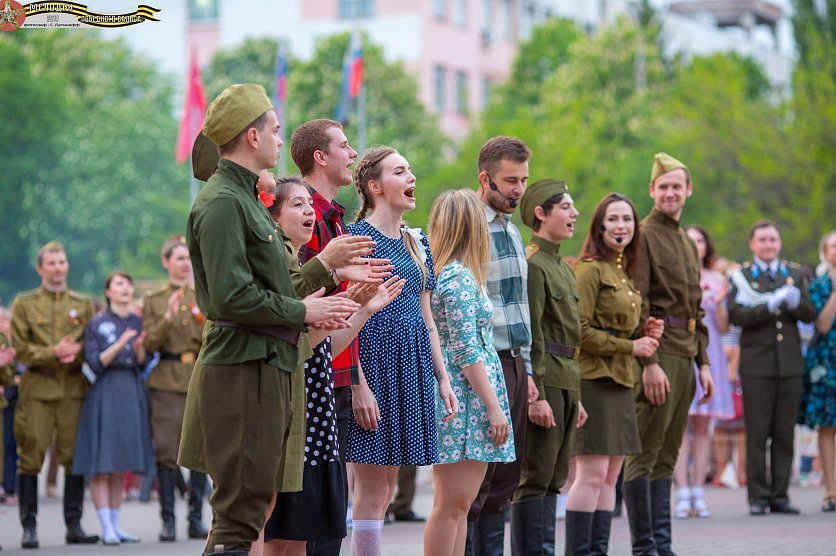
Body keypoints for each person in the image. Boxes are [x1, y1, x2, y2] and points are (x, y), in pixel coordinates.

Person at [182, 83, 363, 555]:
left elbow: (272, 288)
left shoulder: (243, 199)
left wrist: (324, 269)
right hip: (242, 367)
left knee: (250, 509)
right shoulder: (224, 201)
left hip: (263, 365)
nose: (281, 140)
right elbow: (230, 298)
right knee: (239, 519)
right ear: (252, 137)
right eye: (275, 131)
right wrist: (305, 309)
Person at [262, 176, 405, 556]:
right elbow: (296, 344)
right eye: (296, 204)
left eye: (310, 204)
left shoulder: (302, 265)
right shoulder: (286, 271)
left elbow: (321, 348)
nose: (309, 211)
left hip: (316, 412)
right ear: (272, 217)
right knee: (277, 532)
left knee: (300, 531)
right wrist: (336, 280)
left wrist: (361, 308)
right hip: (294, 407)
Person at [347, 146, 458, 556]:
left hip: (412, 364)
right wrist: (357, 384)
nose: (411, 178)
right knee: (373, 488)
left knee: (391, 483)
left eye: (411, 170)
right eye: (399, 171)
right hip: (373, 363)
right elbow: (348, 316)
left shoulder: (417, 240)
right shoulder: (356, 240)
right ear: (375, 186)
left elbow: (427, 317)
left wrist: (442, 377)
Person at [624, 153, 714, 556]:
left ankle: (662, 544)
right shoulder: (644, 235)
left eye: (677, 186)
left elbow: (696, 308)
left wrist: (706, 363)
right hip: (659, 354)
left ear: (689, 190)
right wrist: (649, 363)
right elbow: (638, 303)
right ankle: (645, 547)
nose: (671, 193)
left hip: (687, 353)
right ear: (651, 191)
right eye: (663, 187)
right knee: (644, 452)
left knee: (668, 453)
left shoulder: (685, 240)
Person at [566, 193, 663, 555]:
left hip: (622, 380)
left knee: (610, 477)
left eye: (627, 219)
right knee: (590, 476)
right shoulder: (589, 268)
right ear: (599, 226)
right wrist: (631, 348)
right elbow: (580, 330)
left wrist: (645, 335)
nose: (621, 225)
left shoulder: (623, 271)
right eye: (613, 219)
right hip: (594, 380)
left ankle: (597, 551)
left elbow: (623, 331)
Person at [424, 189, 515, 556]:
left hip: (467, 397)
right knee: (452, 505)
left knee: (459, 506)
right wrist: (493, 407)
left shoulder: (454, 274)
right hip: (465, 400)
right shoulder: (457, 277)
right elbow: (465, 349)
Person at [290, 119, 360, 555]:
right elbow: (303, 303)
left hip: (334, 371)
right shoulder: (306, 218)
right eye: (344, 145)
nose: (351, 154)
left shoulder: (334, 219)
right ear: (320, 157)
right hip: (313, 374)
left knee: (328, 508)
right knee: (308, 514)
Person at [506, 179, 585, 555]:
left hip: (567, 378)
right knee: (535, 476)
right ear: (541, 213)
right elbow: (533, 331)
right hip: (546, 379)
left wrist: (576, 397)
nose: (574, 214)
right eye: (566, 207)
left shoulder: (563, 267)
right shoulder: (534, 264)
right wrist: (535, 392)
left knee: (556, 478)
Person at [467, 136, 538, 556]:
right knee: (477, 481)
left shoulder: (511, 228)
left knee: (505, 480)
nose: (518, 189)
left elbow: (519, 308)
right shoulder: (469, 225)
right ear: (485, 178)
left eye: (523, 180)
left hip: (514, 363)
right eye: (510, 180)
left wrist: (525, 370)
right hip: (482, 363)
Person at [11, 241, 100, 549]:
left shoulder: (84, 303)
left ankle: (74, 525)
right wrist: (53, 352)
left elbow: (93, 343)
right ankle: (29, 526)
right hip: (38, 388)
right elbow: (20, 348)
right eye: (52, 263)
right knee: (31, 456)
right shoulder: (24, 304)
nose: (58, 268)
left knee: (73, 458)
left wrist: (76, 353)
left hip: (73, 389)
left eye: (62, 262)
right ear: (40, 269)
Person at [728, 220, 815, 516]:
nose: (768, 245)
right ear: (752, 244)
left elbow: (809, 312)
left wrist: (794, 303)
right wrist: (767, 306)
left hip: (789, 364)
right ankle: (758, 495)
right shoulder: (741, 276)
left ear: (779, 243)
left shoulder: (793, 273)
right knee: (757, 432)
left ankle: (780, 494)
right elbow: (735, 314)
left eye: (773, 239)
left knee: (784, 432)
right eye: (762, 240)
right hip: (757, 365)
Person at [72, 271, 155, 545]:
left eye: (129, 284)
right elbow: (94, 362)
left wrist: (139, 348)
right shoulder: (98, 322)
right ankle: (105, 525)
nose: (126, 288)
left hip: (131, 389)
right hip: (106, 390)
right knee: (102, 462)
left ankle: (116, 526)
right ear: (108, 291)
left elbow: (142, 362)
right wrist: (121, 344)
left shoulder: (137, 320)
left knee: (122, 461)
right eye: (120, 284)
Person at [142, 235, 209, 541]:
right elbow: (150, 343)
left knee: (200, 451)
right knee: (167, 451)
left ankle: (195, 518)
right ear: (166, 262)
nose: (185, 263)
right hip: (166, 382)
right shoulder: (154, 300)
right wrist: (168, 317)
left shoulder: (203, 296)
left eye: (188, 258)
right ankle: (168, 519)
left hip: (200, 375)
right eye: (179, 258)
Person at [673, 226, 736, 519]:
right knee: (679, 426)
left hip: (712, 355)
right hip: (684, 353)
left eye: (699, 240)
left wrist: (720, 302)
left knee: (703, 427)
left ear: (706, 245)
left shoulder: (717, 279)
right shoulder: (674, 276)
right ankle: (682, 490)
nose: (694, 244)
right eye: (689, 239)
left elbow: (723, 328)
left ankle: (699, 490)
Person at [799, 230, 836, 512]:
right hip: (826, 361)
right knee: (827, 425)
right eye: (833, 246)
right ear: (825, 252)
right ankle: (830, 491)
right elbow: (822, 325)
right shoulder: (818, 286)